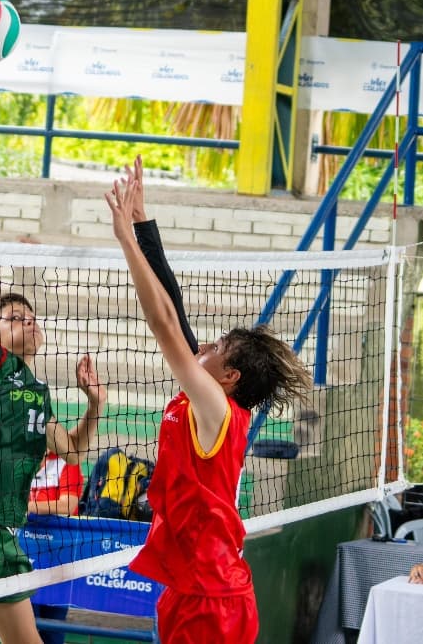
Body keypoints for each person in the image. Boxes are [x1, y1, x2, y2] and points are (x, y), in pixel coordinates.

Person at [105, 155, 311, 644]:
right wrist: (142, 224)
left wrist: (123, 241)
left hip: (211, 598)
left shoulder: (216, 408)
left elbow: (162, 326)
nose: (203, 346)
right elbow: (174, 310)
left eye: (216, 348)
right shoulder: (211, 399)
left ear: (230, 376)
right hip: (195, 586)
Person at [0, 277, 105, 644]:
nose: (29, 321)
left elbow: (74, 451)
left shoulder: (34, 394)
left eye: (31, 317)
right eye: (15, 317)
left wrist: (94, 406)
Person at [28, 454, 85, 644]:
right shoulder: (22, 461)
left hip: (59, 561)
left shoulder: (67, 462)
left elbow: (67, 505)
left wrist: (27, 507)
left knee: (53, 631)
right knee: (29, 627)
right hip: (25, 562)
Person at [28, 452, 84, 517]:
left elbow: (68, 506)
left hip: (60, 525)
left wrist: (28, 507)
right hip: (33, 523)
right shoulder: (26, 464)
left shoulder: (67, 462)